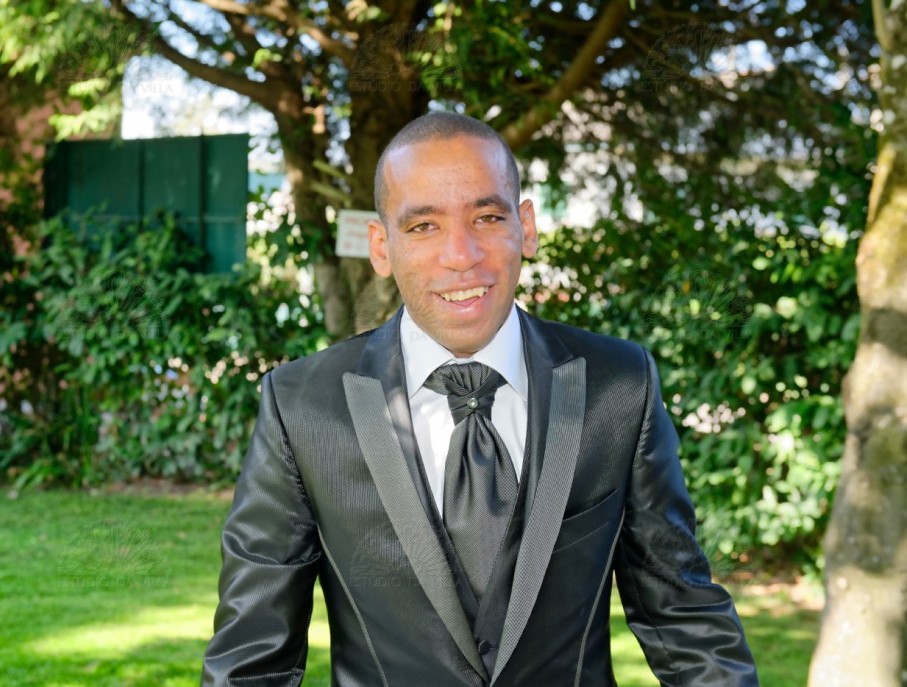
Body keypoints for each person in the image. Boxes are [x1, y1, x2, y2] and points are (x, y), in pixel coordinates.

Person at [201, 111, 758, 686]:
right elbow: (251, 659)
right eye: (423, 226)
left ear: (526, 228)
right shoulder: (301, 406)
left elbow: (683, 619)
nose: (461, 254)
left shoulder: (619, 386)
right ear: (381, 247)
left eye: (487, 217)